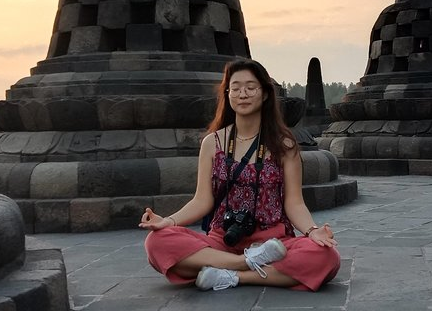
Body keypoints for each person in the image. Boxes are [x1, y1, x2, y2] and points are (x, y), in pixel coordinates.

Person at [139, 59, 340, 291]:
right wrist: (168, 221)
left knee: (326, 257)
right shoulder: (212, 143)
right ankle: (246, 262)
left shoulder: (284, 144)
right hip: (223, 239)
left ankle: (232, 277)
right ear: (228, 94)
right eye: (235, 88)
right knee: (156, 242)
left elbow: (294, 202)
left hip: (274, 241)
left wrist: (312, 231)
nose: (242, 94)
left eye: (250, 87)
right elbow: (202, 200)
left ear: (265, 94)